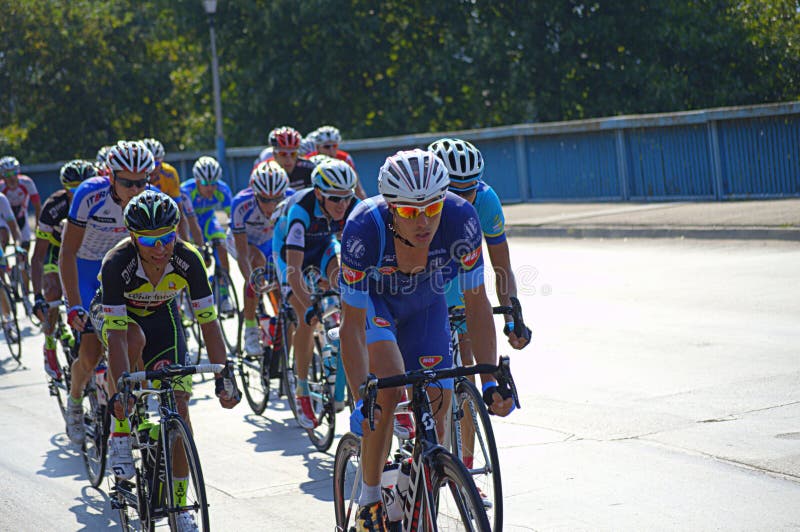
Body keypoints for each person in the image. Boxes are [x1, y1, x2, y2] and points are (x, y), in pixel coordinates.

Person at [338, 149, 514, 530]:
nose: (424, 222)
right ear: (390, 208)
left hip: (426, 305)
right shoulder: (364, 228)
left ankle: (420, 486)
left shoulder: (461, 220)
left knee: (439, 400)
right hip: (376, 304)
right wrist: (359, 397)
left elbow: (476, 302)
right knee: (387, 386)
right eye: (409, 212)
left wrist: (488, 380)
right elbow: (350, 325)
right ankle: (370, 499)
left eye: (432, 209)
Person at [91, 189, 238, 530]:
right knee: (132, 339)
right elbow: (115, 337)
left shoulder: (188, 259)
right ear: (132, 236)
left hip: (161, 316)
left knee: (181, 409)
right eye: (148, 240)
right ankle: (121, 432)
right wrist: (121, 392)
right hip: (118, 318)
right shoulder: (117, 263)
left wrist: (224, 377)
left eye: (167, 237)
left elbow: (209, 325)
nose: (160, 249)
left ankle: (180, 506)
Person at [60, 140, 155, 446]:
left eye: (142, 182)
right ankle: (75, 401)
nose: (135, 189)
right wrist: (74, 304)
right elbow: (67, 253)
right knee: (89, 356)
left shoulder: (149, 200)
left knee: (135, 341)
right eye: (127, 182)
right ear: (111, 176)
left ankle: (128, 413)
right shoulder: (90, 194)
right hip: (88, 272)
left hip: (122, 271)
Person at [273, 158, 359, 429]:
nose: (342, 205)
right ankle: (301, 390)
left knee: (345, 283)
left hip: (322, 245)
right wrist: (309, 304)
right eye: (335, 199)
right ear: (319, 193)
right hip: (289, 253)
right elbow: (294, 270)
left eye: (347, 198)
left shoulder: (350, 207)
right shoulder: (301, 212)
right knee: (305, 316)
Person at [428, 138, 532, 350]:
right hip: (424, 273)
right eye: (453, 193)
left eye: (468, 192)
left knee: (467, 352)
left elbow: (502, 268)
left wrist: (511, 319)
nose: (462, 202)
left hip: (458, 273)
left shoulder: (486, 200)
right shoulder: (420, 205)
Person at [32, 160, 97, 379]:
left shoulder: (99, 200)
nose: (78, 193)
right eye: (73, 189)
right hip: (57, 249)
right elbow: (38, 256)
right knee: (53, 292)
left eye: (83, 186)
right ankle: (49, 344)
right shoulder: (54, 206)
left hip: (86, 252)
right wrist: (38, 295)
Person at [226, 161, 291, 356]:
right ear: (255, 194)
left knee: (284, 285)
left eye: (276, 199)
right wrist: (252, 281)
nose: (271, 206)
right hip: (245, 243)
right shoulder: (241, 203)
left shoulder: (292, 200)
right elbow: (243, 255)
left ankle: (283, 333)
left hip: (271, 243)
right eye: (265, 200)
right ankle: (250, 329)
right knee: (255, 264)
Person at [180, 156, 234, 312]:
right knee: (193, 257)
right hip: (190, 223)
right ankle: (188, 297)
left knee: (222, 247)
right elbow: (185, 220)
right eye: (205, 183)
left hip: (209, 221)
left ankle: (224, 295)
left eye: (213, 183)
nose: (210, 188)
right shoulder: (186, 190)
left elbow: (232, 218)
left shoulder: (223, 190)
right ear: (197, 181)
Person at [141, 137, 202, 244]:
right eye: (147, 164)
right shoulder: (135, 176)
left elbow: (179, 214)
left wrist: (185, 244)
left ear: (162, 161)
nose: (152, 169)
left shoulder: (170, 173)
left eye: (156, 164)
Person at [0, 155, 42, 311]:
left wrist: (39, 228)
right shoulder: (1, 189)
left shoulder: (27, 183)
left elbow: (38, 206)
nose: (11, 178)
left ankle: (26, 292)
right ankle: (5, 272)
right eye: (7, 174)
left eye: (13, 173)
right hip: (4, 218)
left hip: (20, 217)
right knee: (3, 237)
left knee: (24, 255)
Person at [306, 125, 367, 199]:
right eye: (327, 147)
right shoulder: (309, 160)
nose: (331, 150)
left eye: (334, 146)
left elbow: (357, 188)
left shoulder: (345, 158)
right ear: (317, 147)